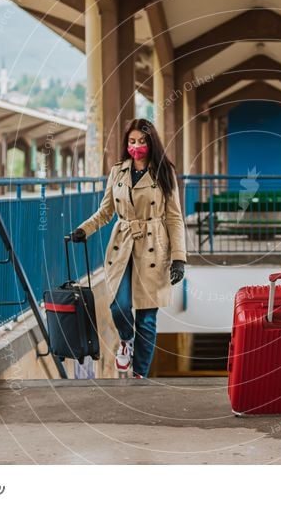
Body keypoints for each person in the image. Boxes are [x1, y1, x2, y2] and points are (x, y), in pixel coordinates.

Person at [71, 118, 187, 378]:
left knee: (146, 319)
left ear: (151, 142)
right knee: (118, 305)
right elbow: (106, 211)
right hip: (122, 244)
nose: (136, 146)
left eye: (142, 141)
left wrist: (179, 259)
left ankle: (140, 374)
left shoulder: (164, 172)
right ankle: (126, 340)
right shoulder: (118, 172)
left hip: (154, 247)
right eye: (132, 141)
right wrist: (84, 230)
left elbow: (174, 217)